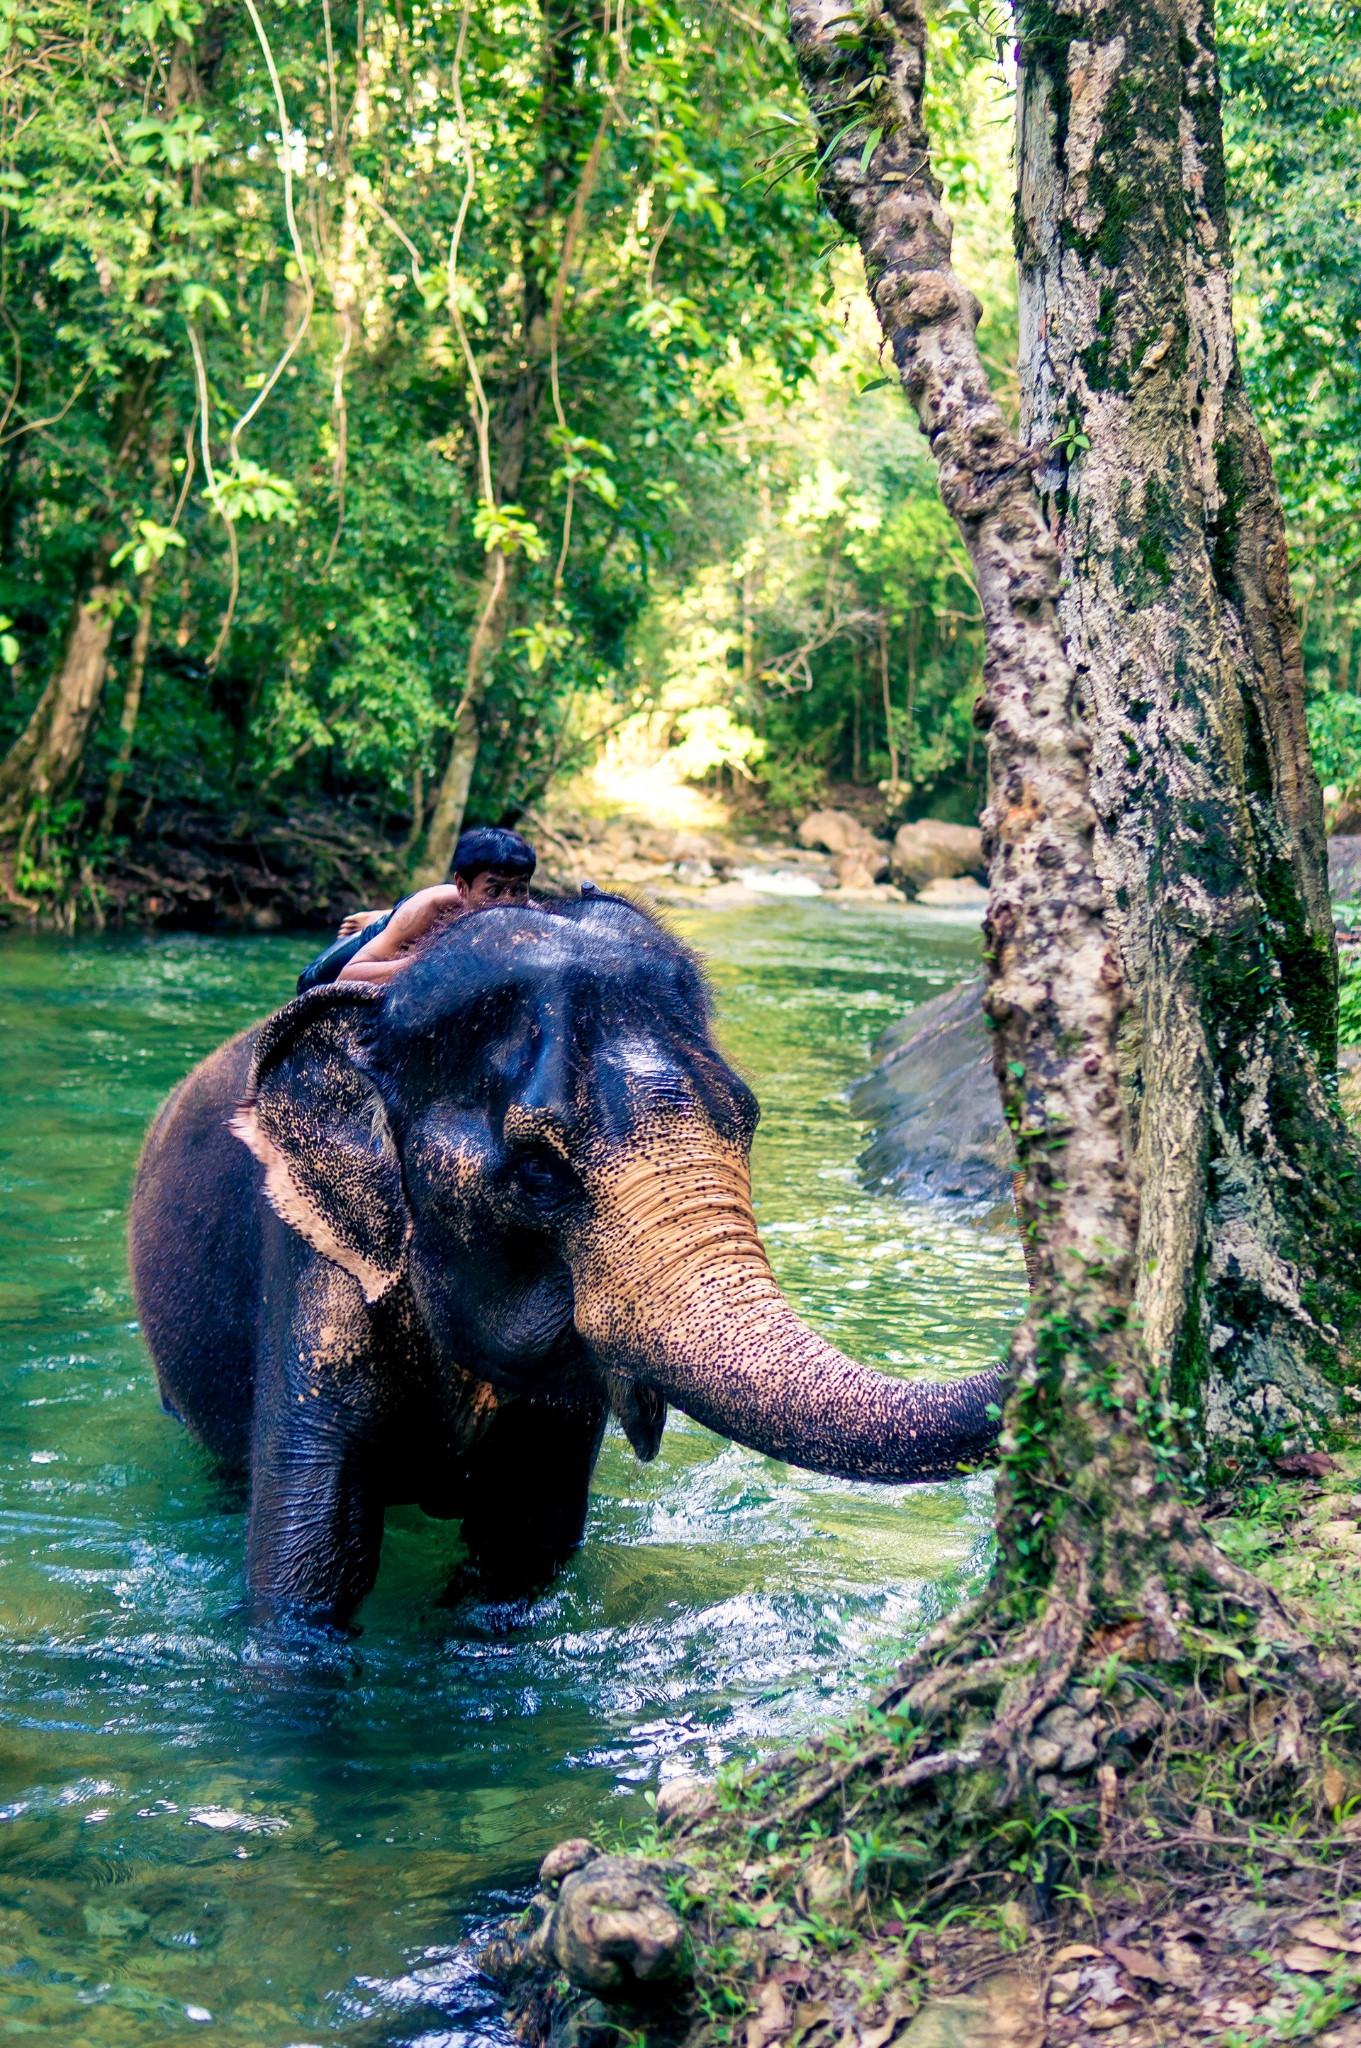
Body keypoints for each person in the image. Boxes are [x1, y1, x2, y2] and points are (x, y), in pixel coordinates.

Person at [296, 826, 536, 994]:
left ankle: (386, 914)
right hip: (384, 939)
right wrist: (434, 961)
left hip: (417, 918)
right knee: (308, 983)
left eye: (518, 890)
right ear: (462, 886)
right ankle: (381, 920)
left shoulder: (528, 910)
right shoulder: (430, 907)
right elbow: (348, 977)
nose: (508, 903)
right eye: (494, 892)